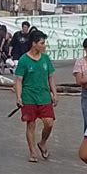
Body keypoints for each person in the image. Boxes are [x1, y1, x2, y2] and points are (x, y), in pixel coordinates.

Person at [14, 30, 58, 163]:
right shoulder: (23, 60)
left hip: (44, 96)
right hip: (29, 96)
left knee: (49, 123)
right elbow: (19, 81)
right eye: (42, 43)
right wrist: (18, 97)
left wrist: (54, 94)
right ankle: (32, 152)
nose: (44, 46)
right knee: (31, 124)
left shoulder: (45, 59)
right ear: (34, 44)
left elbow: (51, 78)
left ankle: (42, 143)